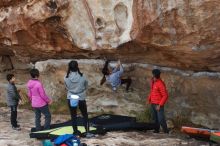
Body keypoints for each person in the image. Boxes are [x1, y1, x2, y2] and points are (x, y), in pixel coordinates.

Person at [64, 60, 94, 138]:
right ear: (77, 67)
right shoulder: (83, 76)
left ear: (69, 68)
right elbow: (86, 85)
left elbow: (66, 87)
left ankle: (75, 132)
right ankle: (87, 132)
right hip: (81, 97)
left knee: (73, 116)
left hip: (71, 97)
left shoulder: (66, 77)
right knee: (85, 115)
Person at [147, 69, 169, 133]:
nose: (152, 76)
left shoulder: (160, 83)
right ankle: (156, 130)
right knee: (155, 119)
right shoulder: (153, 82)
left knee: (161, 119)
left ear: (155, 75)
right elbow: (152, 91)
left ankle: (166, 131)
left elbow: (165, 95)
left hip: (158, 104)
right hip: (153, 103)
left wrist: (160, 105)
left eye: (153, 75)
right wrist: (149, 99)